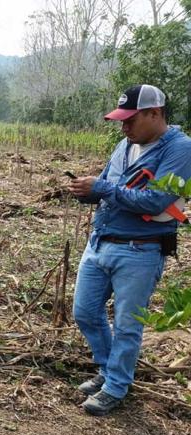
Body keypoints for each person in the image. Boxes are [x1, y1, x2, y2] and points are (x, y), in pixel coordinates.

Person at [68, 84, 191, 416]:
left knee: (126, 324)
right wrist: (87, 191)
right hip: (101, 241)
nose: (123, 127)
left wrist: (104, 187)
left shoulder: (181, 150)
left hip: (140, 249)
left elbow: (156, 200)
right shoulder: (124, 145)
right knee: (84, 311)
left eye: (130, 120)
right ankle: (110, 372)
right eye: (121, 121)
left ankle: (116, 387)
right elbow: (108, 186)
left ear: (155, 114)